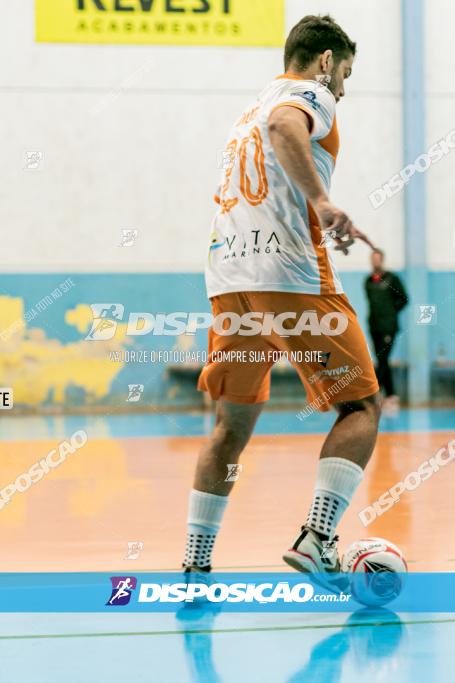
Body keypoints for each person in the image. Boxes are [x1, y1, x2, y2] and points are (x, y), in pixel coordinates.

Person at [182, 15, 381, 589]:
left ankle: (195, 563)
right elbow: (285, 127)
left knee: (230, 427)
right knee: (361, 407)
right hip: (289, 274)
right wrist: (321, 202)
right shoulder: (306, 96)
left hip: (227, 279)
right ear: (324, 61)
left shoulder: (247, 107)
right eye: (344, 72)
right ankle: (318, 537)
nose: (342, 87)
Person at [365, 249, 408, 412]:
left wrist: (391, 312)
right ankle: (391, 395)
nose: (375, 261)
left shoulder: (392, 278)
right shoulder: (368, 281)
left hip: (388, 327)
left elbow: (404, 299)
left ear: (382, 259)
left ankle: (374, 394)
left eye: (377, 258)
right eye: (372, 258)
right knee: (381, 360)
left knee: (383, 359)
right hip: (374, 327)